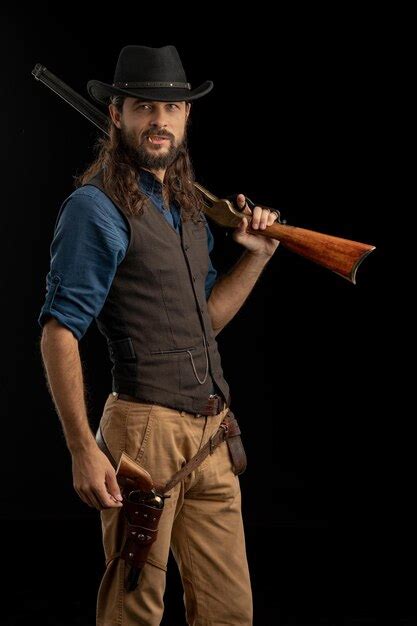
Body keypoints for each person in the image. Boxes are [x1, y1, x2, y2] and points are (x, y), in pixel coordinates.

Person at [38, 44, 279, 626]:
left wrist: (257, 256)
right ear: (117, 115)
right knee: (133, 610)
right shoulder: (94, 208)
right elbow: (59, 330)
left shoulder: (188, 207)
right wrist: (81, 448)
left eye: (172, 109)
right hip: (143, 437)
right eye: (145, 107)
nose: (160, 121)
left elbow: (205, 321)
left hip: (214, 434)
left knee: (230, 613)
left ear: (187, 117)